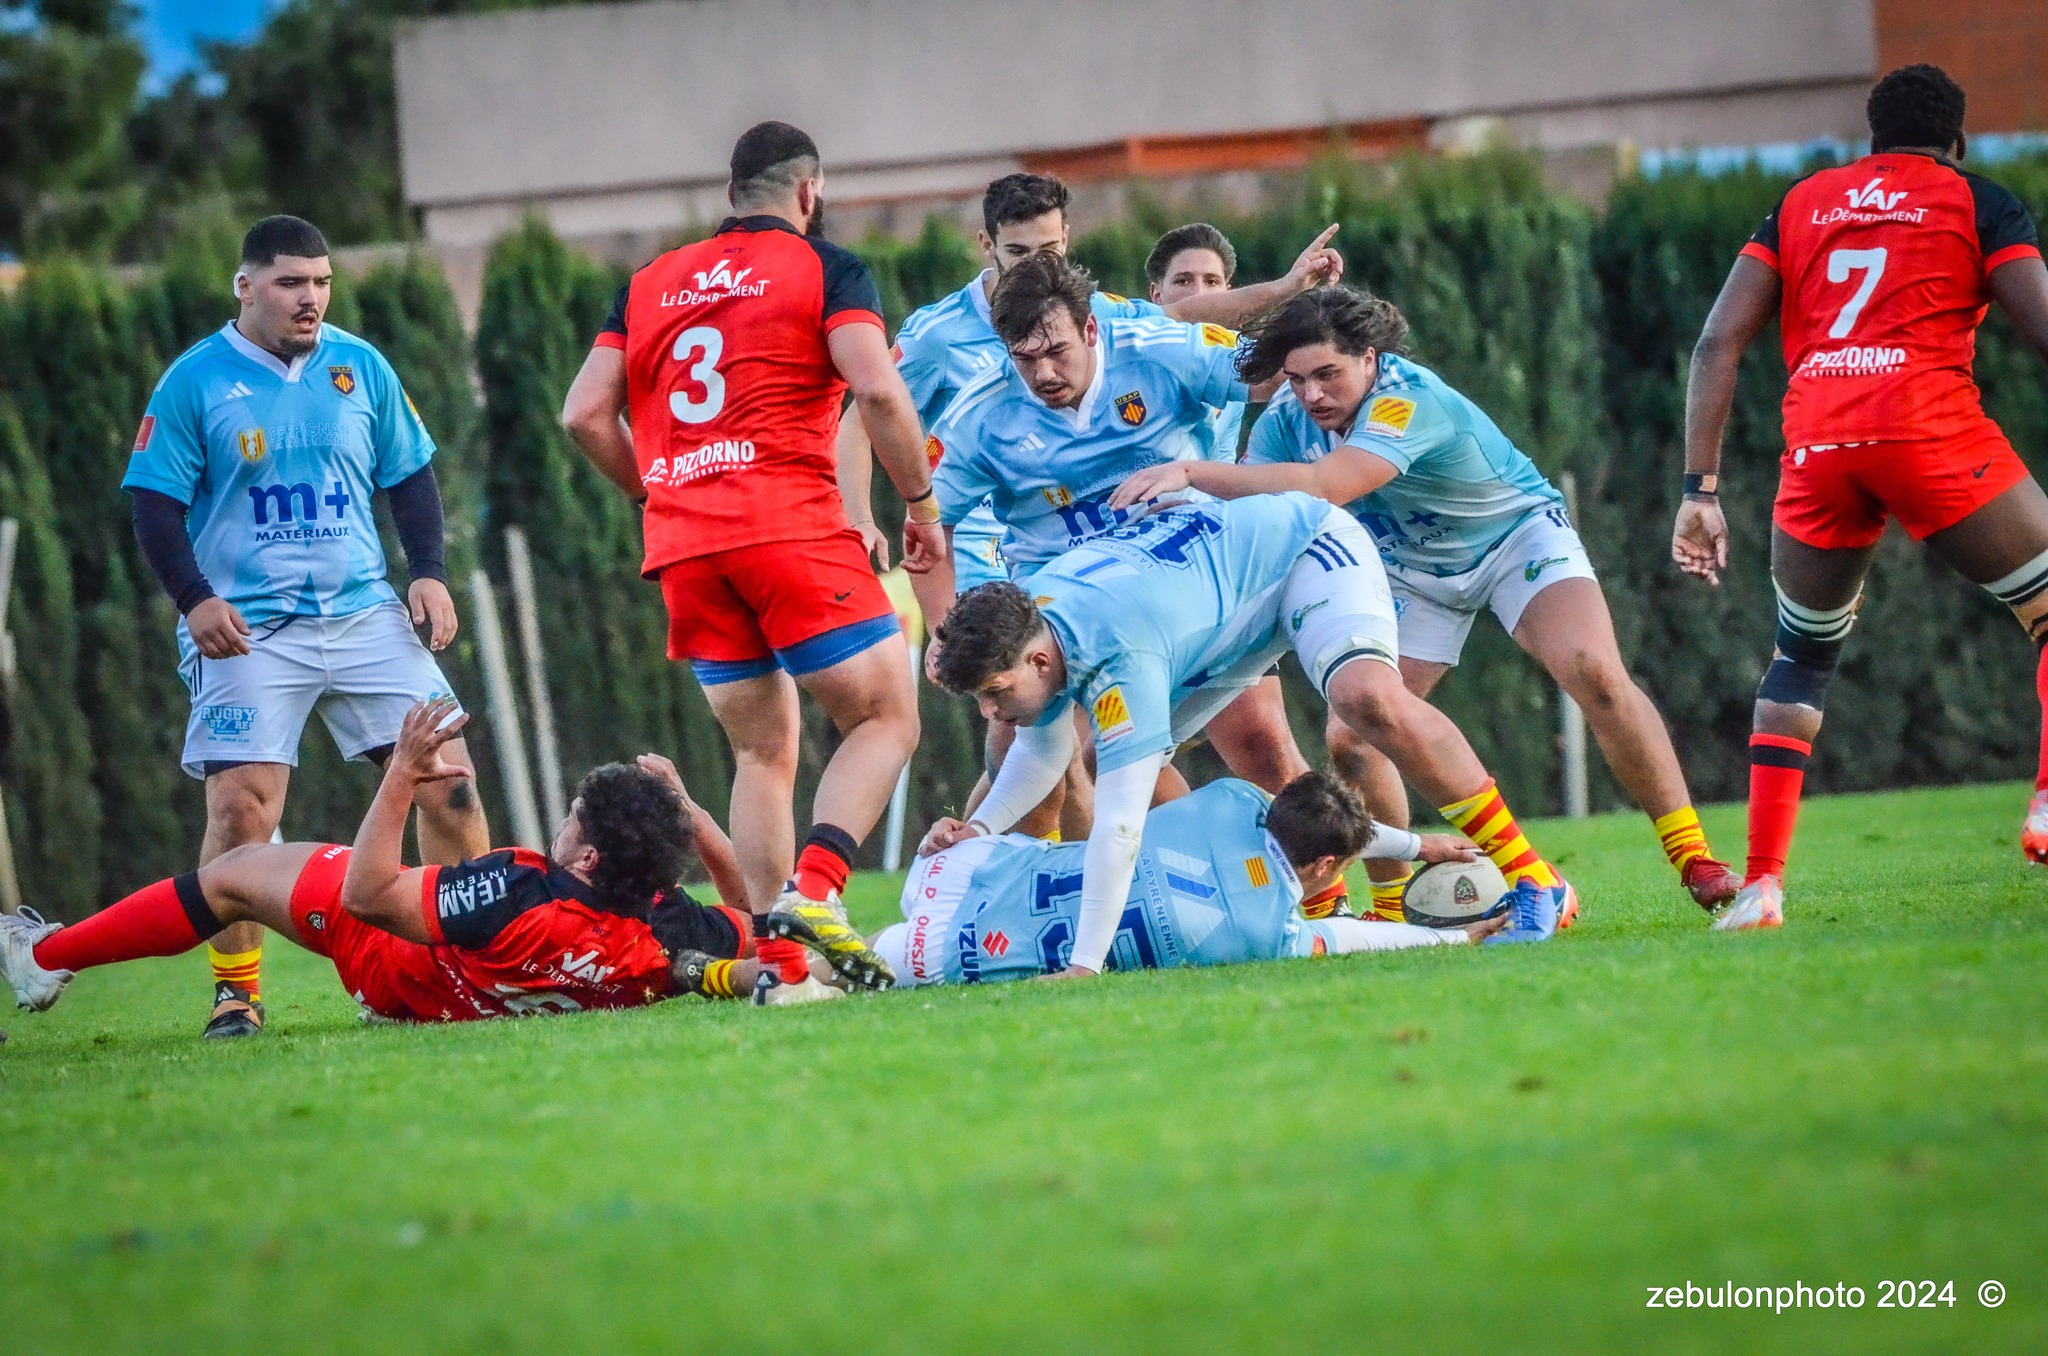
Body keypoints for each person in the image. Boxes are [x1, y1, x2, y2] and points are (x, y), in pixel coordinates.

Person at [1111, 287, 1741, 920]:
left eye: (1328, 374)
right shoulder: (1285, 421)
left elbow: (1330, 486)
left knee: (1593, 672)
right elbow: (1246, 516)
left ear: (1369, 358)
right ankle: (1389, 907)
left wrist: (1192, 473)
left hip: (1513, 539)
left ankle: (1693, 856)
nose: (1311, 395)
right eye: (1298, 379)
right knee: (1354, 736)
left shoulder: (1406, 399)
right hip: (1411, 572)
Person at [561, 121, 939, 1000]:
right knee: (887, 717)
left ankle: (786, 970)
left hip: (689, 546)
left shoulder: (648, 283)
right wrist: (920, 504)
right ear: (808, 193)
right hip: (789, 525)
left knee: (761, 756)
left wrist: (658, 495)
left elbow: (583, 414)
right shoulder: (824, 267)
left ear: (732, 197)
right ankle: (817, 892)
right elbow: (877, 388)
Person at [1674, 64, 2048, 929]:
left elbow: (1716, 341)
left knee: (1800, 659)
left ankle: (1762, 886)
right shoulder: (1979, 200)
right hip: (1928, 431)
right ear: (1959, 141)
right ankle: (2043, 805)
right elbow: (2038, 327)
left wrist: (1701, 488)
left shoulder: (1803, 202)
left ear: (1871, 137)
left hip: (1820, 445)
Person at [921, 491, 1575, 980]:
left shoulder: (1120, 658)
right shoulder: (1039, 620)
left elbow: (1118, 829)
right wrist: (977, 831)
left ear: (1037, 662)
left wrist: (1086, 966)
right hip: (1226, 619)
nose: (991, 713)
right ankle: (1311, 907)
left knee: (1365, 701)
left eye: (995, 694)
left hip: (1311, 551)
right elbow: (1043, 753)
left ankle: (1532, 878)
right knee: (1092, 759)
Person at [123, 214, 488, 1038]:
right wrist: (195, 599)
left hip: (365, 615)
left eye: (321, 283)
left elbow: (412, 476)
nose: (310, 299)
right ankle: (236, 993)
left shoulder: (360, 366)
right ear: (245, 287)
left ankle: (466, 968)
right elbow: (153, 504)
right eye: (291, 283)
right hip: (250, 630)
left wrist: (427, 571)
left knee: (453, 783)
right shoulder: (195, 381)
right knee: (243, 808)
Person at [0, 701, 761, 1023]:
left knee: (231, 876)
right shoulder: (662, 925)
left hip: (390, 961)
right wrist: (693, 819)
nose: (559, 826)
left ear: (588, 855)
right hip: (461, 994)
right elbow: (754, 921)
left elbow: (369, 894)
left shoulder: (517, 889)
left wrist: (399, 774)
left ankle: (42, 956)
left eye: (571, 820)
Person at [879, 772, 1546, 988]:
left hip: (965, 863)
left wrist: (1421, 842)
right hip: (959, 957)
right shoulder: (1270, 937)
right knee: (834, 974)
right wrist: (1453, 942)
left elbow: (1317, 821)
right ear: (1320, 870)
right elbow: (1354, 938)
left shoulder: (1229, 798)